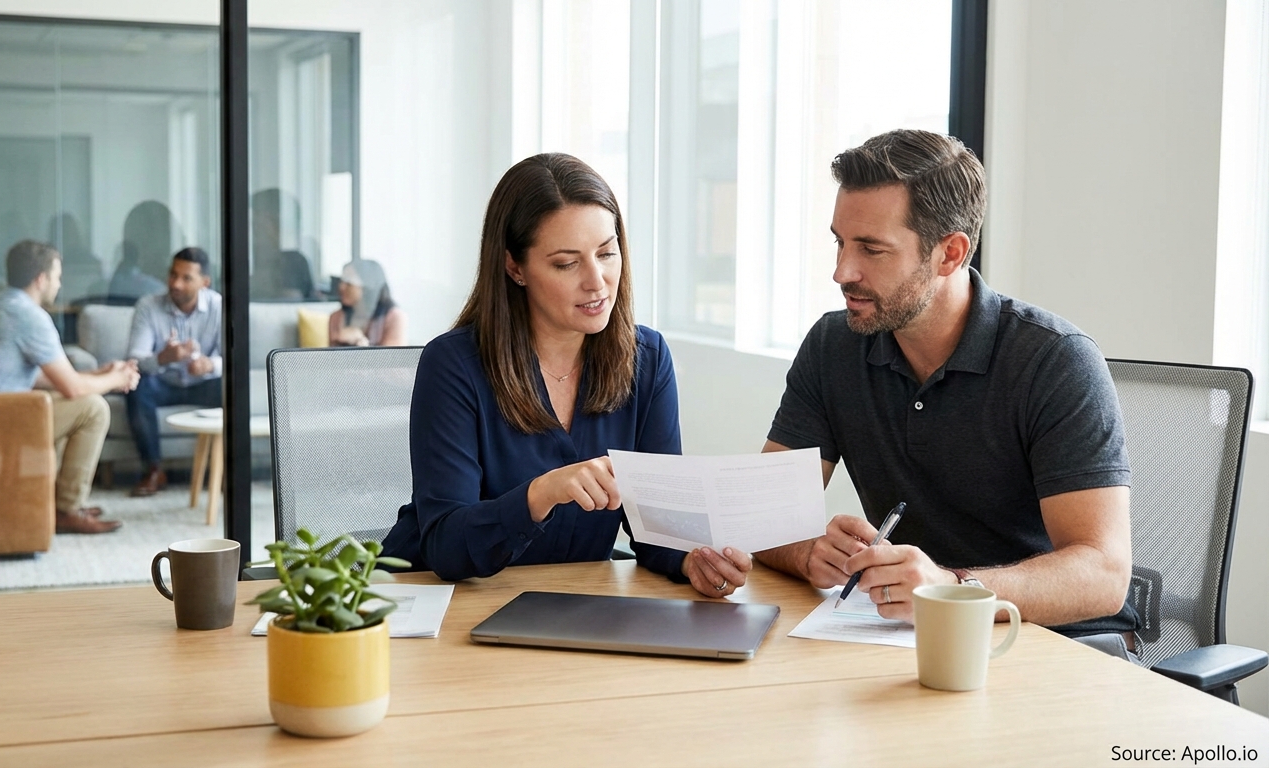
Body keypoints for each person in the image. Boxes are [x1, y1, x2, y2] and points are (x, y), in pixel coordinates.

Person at [753, 129, 1137, 651]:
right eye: (840, 242)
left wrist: (950, 590)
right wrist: (808, 552)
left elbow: (1103, 574)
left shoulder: (1054, 360)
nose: (842, 270)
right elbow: (762, 519)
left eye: (871, 249)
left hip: (1050, 644)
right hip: (905, 641)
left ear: (950, 253)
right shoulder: (833, 344)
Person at [381, 153, 750, 596]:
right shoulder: (455, 365)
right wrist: (540, 495)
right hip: (436, 602)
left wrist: (694, 559)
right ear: (515, 267)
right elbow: (445, 547)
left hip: (570, 604)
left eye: (607, 253)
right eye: (566, 263)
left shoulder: (646, 358)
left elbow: (657, 525)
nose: (597, 282)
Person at [0, 239, 139, 534]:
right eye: (57, 277)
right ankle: (67, 509)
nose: (59, 285)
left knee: (63, 401)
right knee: (93, 409)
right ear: (41, 279)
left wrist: (100, 372)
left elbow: (39, 378)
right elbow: (73, 389)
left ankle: (54, 501)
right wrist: (117, 380)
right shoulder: (30, 316)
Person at [124, 247, 224, 497]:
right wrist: (163, 358)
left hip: (204, 385)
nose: (176, 284)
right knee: (137, 385)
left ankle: (224, 471)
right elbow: (135, 360)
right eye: (173, 275)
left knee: (233, 388)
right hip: (163, 384)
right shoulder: (148, 306)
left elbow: (234, 358)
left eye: (186, 278)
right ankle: (154, 470)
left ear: (205, 282)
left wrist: (210, 365)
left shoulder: (219, 307)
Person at [250, 188, 316, 301]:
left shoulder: (293, 261)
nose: (253, 226)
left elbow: (291, 301)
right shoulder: (255, 258)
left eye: (259, 220)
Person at [328, 261, 406, 347]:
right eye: (342, 281)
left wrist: (363, 344)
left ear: (368, 286)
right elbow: (331, 357)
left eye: (349, 283)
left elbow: (394, 358)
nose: (341, 287)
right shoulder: (336, 317)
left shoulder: (394, 317)